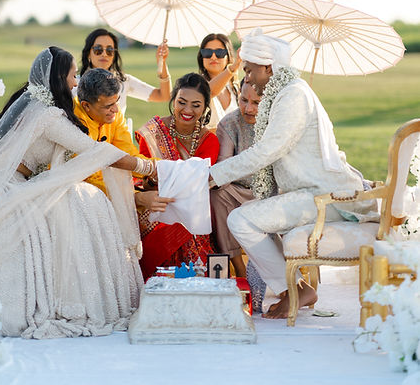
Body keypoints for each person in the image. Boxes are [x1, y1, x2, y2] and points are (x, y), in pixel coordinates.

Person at [0, 47, 158, 339]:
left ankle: (75, 292)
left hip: (22, 181)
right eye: (73, 75)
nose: (75, 81)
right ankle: (71, 298)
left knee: (82, 198)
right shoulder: (49, 116)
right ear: (60, 78)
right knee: (81, 202)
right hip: (10, 185)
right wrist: (148, 168)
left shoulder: (43, 108)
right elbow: (96, 152)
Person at [209, 28, 378, 319]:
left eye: (249, 71)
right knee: (249, 215)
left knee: (241, 219)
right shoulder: (286, 93)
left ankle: (295, 290)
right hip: (308, 193)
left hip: (326, 196)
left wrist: (213, 175)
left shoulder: (292, 96)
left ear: (268, 67)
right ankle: (294, 288)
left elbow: (266, 151)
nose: (246, 78)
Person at [135, 72, 220, 280]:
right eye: (181, 102)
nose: (187, 110)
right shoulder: (153, 132)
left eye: (196, 105)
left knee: (185, 226)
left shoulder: (209, 141)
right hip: (155, 204)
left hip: (192, 208)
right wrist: (151, 182)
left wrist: (161, 176)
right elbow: (141, 175)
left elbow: (198, 181)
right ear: (173, 100)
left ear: (205, 107)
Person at [73, 68, 174, 215]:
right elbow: (88, 179)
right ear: (86, 106)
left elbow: (129, 153)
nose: (115, 110)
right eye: (108, 106)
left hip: (108, 192)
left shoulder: (114, 114)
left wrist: (161, 169)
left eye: (117, 102)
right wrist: (135, 197)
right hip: (78, 199)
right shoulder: (74, 123)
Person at [211, 80, 277, 278]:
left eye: (256, 103)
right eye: (243, 100)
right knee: (217, 195)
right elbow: (224, 169)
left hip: (273, 190)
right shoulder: (229, 123)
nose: (248, 108)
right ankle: (239, 268)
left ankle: (280, 270)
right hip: (237, 190)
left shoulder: (278, 123)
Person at [79, 28, 171, 115]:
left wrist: (161, 63)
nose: (104, 54)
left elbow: (163, 96)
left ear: (114, 55)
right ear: (88, 54)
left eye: (109, 50)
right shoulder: (76, 83)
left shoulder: (123, 81)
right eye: (98, 50)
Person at [197, 33, 241, 131]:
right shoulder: (196, 84)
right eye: (207, 53)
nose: (213, 57)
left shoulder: (235, 88)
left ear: (228, 56)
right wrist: (233, 67)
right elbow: (208, 92)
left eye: (219, 53)